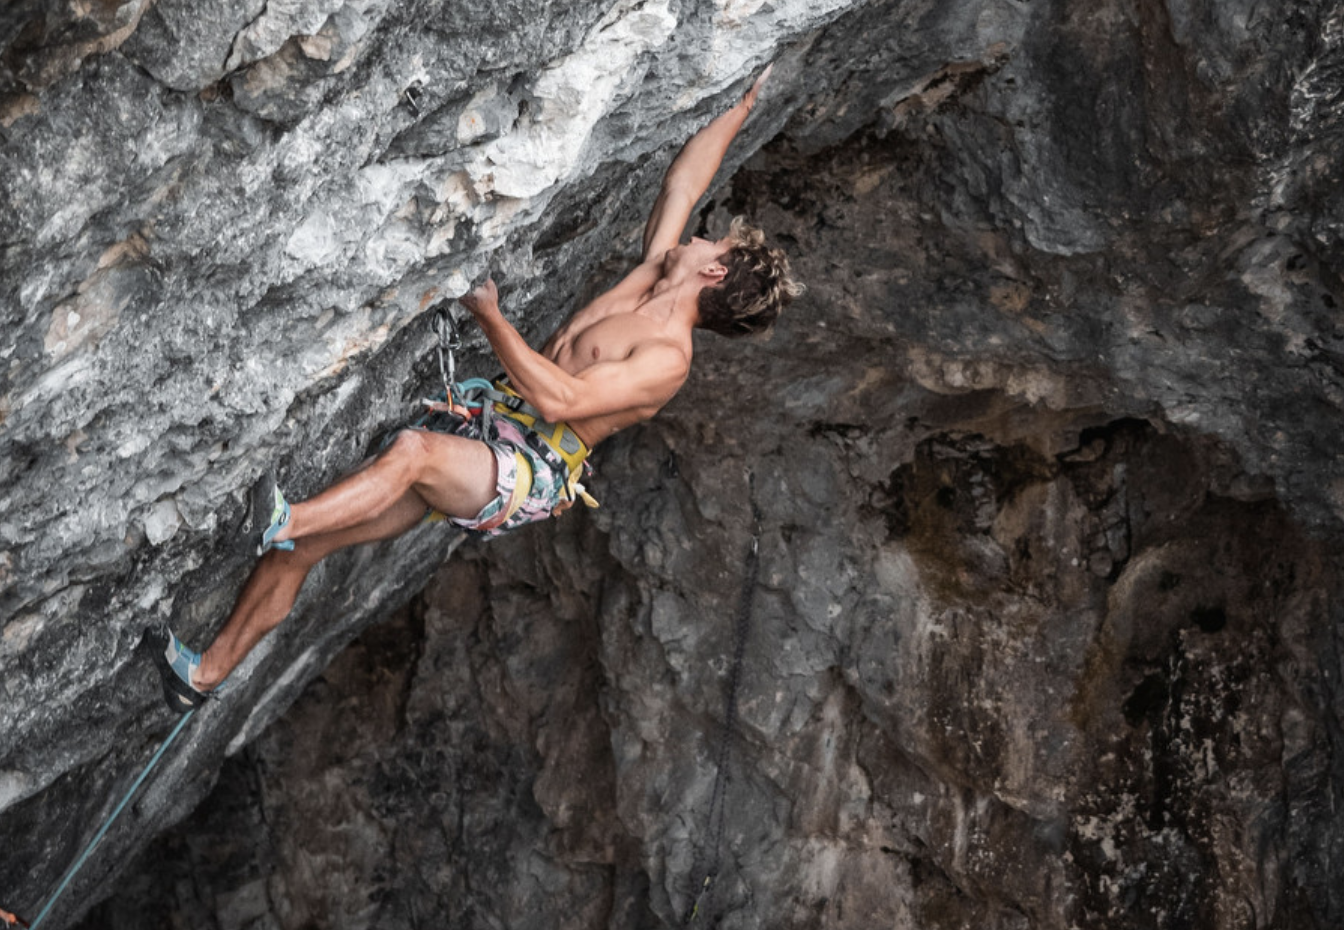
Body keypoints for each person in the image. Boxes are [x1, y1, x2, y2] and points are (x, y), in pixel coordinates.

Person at [149, 67, 801, 713]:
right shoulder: (652, 276)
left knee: (412, 452)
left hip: (529, 467)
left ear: (714, 269)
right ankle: (202, 676)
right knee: (305, 551)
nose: (698, 234)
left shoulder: (666, 360)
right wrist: (741, 104)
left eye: (711, 240)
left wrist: (491, 316)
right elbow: (682, 185)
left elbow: (563, 402)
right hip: (493, 425)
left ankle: (279, 519)